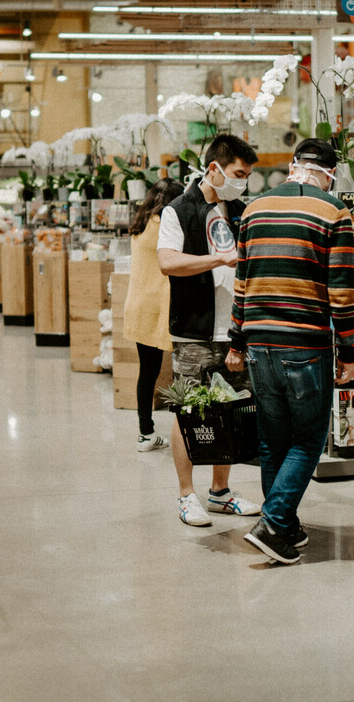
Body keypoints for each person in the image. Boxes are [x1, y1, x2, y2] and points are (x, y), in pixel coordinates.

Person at [226, 138, 354, 564]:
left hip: (259, 343)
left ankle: (286, 527)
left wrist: (236, 340)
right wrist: (350, 353)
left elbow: (241, 282)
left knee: (272, 440)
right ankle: (273, 521)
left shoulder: (254, 209)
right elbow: (341, 292)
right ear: (330, 174)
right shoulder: (335, 213)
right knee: (308, 440)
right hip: (305, 344)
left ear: (294, 165)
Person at [156, 134, 262, 526]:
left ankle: (220, 492)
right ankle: (186, 495)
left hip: (234, 329)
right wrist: (217, 259)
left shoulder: (241, 210)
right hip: (195, 329)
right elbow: (168, 262)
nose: (243, 181)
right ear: (214, 169)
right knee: (191, 412)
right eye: (238, 173)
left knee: (230, 411)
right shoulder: (178, 210)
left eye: (247, 175)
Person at [123, 178, 184, 451]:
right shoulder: (166, 226)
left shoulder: (141, 224)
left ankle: (145, 433)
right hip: (160, 306)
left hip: (138, 304)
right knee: (181, 369)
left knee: (147, 371)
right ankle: (185, 432)